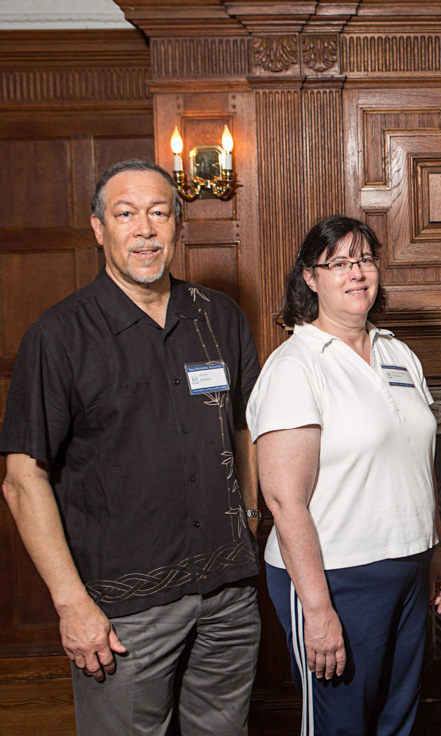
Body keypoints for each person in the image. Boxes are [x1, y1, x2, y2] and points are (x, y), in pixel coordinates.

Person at [0, 159, 262, 735]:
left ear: (177, 226)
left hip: (229, 595)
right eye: (125, 214)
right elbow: (23, 479)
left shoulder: (219, 316)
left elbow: (243, 427)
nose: (144, 228)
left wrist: (248, 514)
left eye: (158, 213)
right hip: (123, 609)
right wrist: (72, 604)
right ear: (100, 229)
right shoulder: (59, 335)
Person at [247, 215, 441, 736]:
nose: (356, 273)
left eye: (364, 259)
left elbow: (416, 460)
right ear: (310, 279)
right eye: (338, 263)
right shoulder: (296, 364)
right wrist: (317, 609)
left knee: (396, 720)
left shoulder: (397, 352)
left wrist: (436, 549)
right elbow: (284, 501)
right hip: (335, 577)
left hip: (407, 569)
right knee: (341, 726)